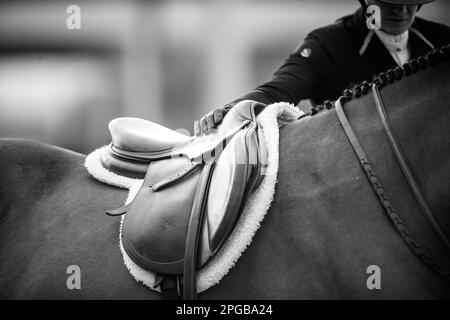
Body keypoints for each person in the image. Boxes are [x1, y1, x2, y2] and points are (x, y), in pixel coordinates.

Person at [195, 0, 450, 135]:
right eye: (389, 2)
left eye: (410, 1)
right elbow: (279, 90)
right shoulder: (329, 44)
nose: (401, 10)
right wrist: (232, 109)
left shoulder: (441, 41)